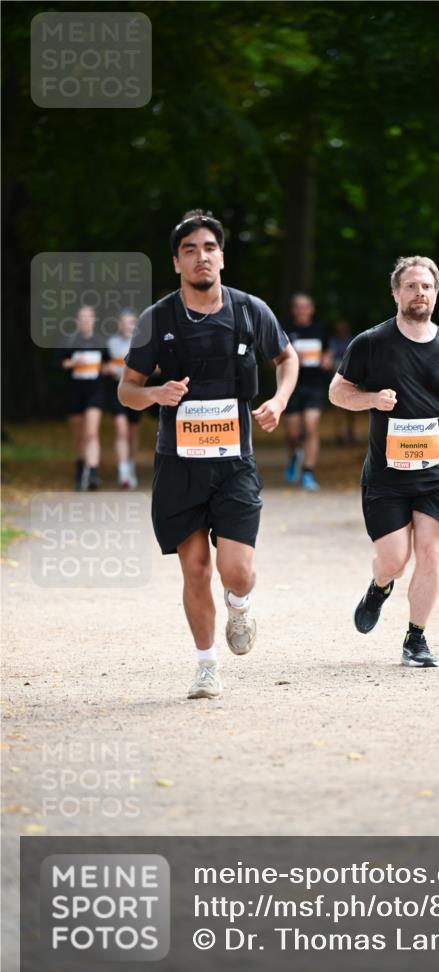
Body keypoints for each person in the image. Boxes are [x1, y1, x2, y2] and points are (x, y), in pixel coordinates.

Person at [118, 210, 298, 699]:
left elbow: (286, 358)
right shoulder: (157, 319)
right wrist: (156, 395)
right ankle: (205, 666)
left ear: (222, 255)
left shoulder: (248, 310)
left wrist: (278, 402)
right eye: (191, 250)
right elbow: (127, 390)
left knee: (234, 569)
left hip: (234, 461)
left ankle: (239, 604)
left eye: (210, 248)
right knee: (194, 567)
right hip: (178, 464)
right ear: (176, 262)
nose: (202, 257)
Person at [329, 255, 439, 668]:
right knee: (395, 559)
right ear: (396, 293)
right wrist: (371, 400)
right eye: (411, 286)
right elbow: (337, 392)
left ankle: (416, 639)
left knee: (429, 553)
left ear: (436, 292)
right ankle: (380, 587)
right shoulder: (371, 343)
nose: (419, 293)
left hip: (436, 472)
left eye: (426, 286)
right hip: (387, 474)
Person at [282, 293, 331, 491]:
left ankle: (308, 472)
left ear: (312, 309)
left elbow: (328, 351)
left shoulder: (319, 329)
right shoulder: (285, 330)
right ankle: (294, 455)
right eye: (298, 307)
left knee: (310, 427)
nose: (302, 310)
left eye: (306, 306)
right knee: (293, 434)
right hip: (291, 385)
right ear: (294, 310)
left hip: (315, 384)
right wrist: (291, 357)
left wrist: (327, 359)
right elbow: (274, 357)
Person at [59, 304, 109, 491]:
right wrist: (72, 363)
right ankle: (80, 470)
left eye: (89, 317)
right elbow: (60, 363)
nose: (86, 320)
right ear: (77, 321)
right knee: (79, 434)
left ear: (94, 320)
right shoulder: (69, 341)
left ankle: (94, 473)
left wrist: (108, 369)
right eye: (82, 317)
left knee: (91, 432)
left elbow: (106, 365)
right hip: (75, 392)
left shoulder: (100, 342)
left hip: (95, 391)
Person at [105, 308, 141, 489]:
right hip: (116, 391)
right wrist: (107, 369)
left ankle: (131, 466)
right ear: (119, 324)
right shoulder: (111, 344)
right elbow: (102, 366)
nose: (128, 325)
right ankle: (123, 472)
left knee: (132, 433)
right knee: (121, 430)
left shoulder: (141, 345)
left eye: (131, 322)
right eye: (125, 322)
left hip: (135, 392)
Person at [328, 318, 359, 445]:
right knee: (338, 409)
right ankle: (339, 435)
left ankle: (351, 433)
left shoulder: (352, 341)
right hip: (337, 381)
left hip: (351, 379)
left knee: (351, 410)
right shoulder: (333, 342)